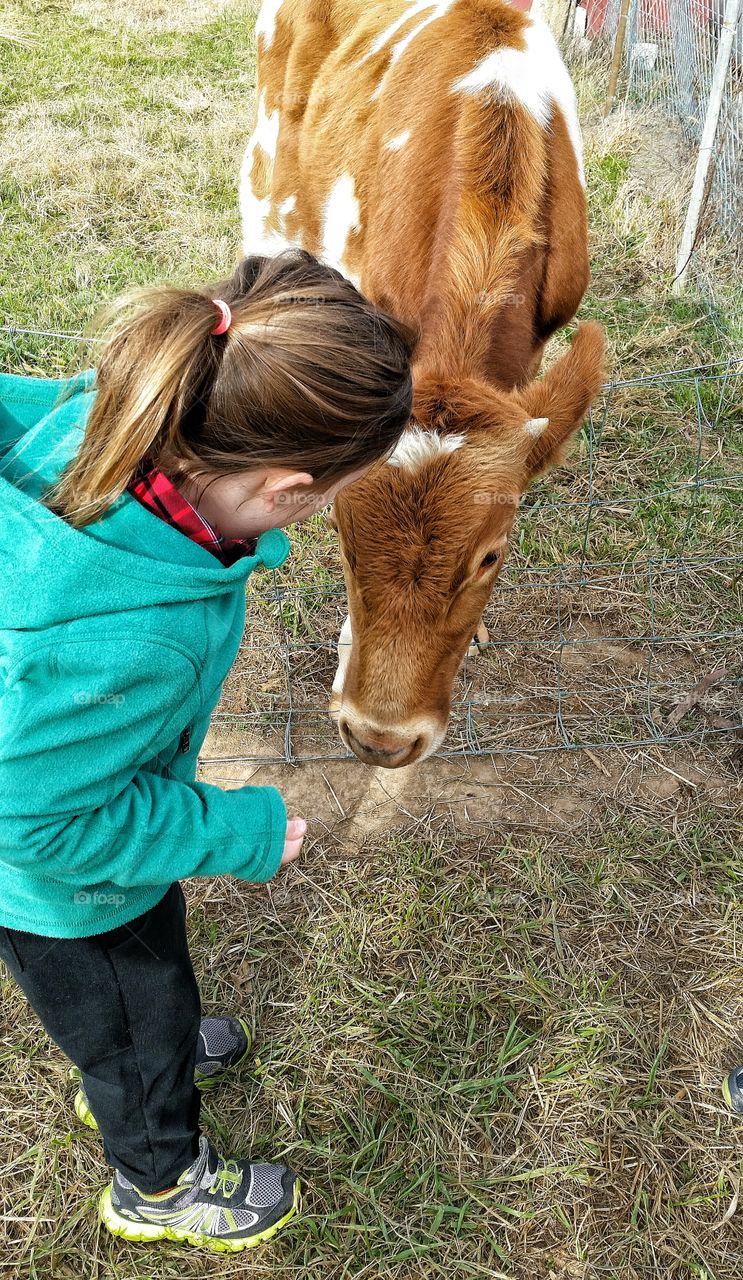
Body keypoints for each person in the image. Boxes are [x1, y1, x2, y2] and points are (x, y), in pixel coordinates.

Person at [0, 250, 415, 1253]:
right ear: (281, 489)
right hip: (66, 893)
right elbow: (37, 818)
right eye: (328, 497)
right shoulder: (124, 633)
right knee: (128, 1017)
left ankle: (154, 1052)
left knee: (155, 990)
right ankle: (157, 1180)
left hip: (90, 855)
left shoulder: (126, 414)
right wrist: (236, 828)